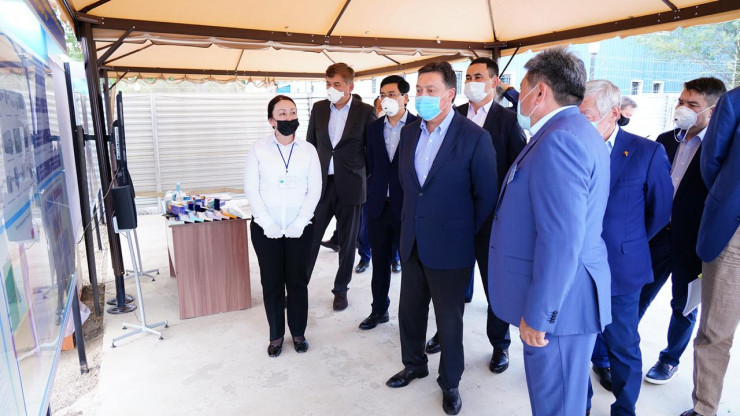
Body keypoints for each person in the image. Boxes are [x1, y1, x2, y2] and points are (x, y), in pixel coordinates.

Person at [489, 48, 611, 416]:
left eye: (523, 87)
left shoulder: (559, 139)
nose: (518, 96)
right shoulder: (574, 130)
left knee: (556, 405)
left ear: (540, 92)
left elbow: (561, 240)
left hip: (560, 304)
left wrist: (540, 314)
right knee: (564, 400)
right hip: (568, 298)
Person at [385, 61, 497, 416]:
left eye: (431, 90)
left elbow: (486, 197)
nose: (423, 96)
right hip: (413, 240)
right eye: (419, 90)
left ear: (450, 94)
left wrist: (459, 232)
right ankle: (414, 364)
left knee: (449, 321)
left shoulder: (474, 137)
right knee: (410, 312)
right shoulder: (409, 133)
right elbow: (408, 188)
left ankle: (449, 382)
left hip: (451, 246)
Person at [424, 57, 526, 375]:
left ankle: (500, 344)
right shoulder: (451, 115)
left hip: (491, 220)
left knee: (494, 286)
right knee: (450, 286)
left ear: (494, 82)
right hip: (453, 220)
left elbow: (518, 169)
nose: (471, 82)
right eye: (467, 77)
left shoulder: (508, 120)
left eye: (478, 76)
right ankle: (445, 331)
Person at [579, 80, 673, 415]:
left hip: (621, 267)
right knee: (578, 343)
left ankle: (624, 408)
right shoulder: (571, 145)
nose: (580, 121)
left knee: (623, 345)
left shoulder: (647, 152)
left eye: (586, 114)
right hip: (576, 267)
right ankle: (580, 404)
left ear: (614, 113)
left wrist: (626, 242)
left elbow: (660, 211)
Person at [638, 77, 727, 384]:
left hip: (692, 241)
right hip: (656, 234)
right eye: (680, 101)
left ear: (713, 111)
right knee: (638, 294)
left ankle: (669, 359)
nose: (682, 108)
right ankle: (618, 348)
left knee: (683, 306)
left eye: (692, 104)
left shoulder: (721, 149)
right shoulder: (665, 140)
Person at [243, 95, 322, 357]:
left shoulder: (308, 150)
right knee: (272, 283)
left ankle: (298, 333)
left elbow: (315, 189)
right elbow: (251, 188)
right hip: (267, 229)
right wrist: (266, 222)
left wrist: (301, 221)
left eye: (293, 112)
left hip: (300, 228)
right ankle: (276, 336)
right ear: (271, 120)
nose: (289, 117)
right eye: (282, 113)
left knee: (298, 283)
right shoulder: (258, 148)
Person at [680, 86, 740, 416]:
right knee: (717, 329)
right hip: (734, 232)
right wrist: (730, 198)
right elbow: (712, 160)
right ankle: (705, 407)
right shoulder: (735, 101)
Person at [306, 63, 377, 311]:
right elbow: (310, 145)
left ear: (350, 86)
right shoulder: (319, 108)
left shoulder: (365, 111)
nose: (331, 88)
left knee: (347, 243)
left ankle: (341, 290)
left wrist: (360, 175)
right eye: (328, 83)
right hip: (322, 186)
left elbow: (372, 151)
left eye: (336, 84)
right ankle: (298, 287)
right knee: (309, 239)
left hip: (352, 186)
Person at [359, 75, 418, 330]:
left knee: (411, 266)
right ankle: (379, 310)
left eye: (392, 94)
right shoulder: (373, 128)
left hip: (407, 208)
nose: (386, 99)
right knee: (380, 263)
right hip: (378, 206)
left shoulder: (419, 126)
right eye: (383, 95)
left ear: (405, 98)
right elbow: (372, 164)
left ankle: (411, 317)